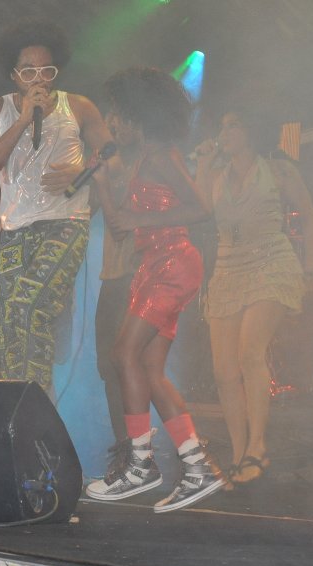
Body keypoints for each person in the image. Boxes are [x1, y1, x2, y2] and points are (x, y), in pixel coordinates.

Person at [84, 67, 226, 512]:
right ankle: (198, 466)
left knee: (122, 354)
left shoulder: (162, 155)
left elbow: (201, 208)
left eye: (117, 114)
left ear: (138, 115)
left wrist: (143, 219)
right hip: (153, 266)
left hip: (173, 263)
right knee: (148, 369)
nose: (112, 123)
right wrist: (101, 183)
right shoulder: (141, 160)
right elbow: (121, 227)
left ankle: (141, 464)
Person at [0, 20, 113, 394]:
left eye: (46, 70)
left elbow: (116, 158)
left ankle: (37, 409)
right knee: (8, 329)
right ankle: (28, 410)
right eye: (29, 71)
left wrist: (82, 173)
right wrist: (22, 121)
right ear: (13, 75)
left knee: (29, 306)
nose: (39, 79)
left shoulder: (78, 106)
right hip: (13, 231)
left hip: (64, 222)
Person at [193, 105, 313, 484]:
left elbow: (311, 216)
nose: (224, 133)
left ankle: (258, 446)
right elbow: (199, 212)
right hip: (228, 268)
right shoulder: (215, 174)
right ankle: (238, 453)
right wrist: (203, 165)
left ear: (252, 130)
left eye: (233, 125)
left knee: (250, 352)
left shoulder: (279, 170)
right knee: (223, 371)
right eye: (222, 126)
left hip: (271, 263)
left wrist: (311, 268)